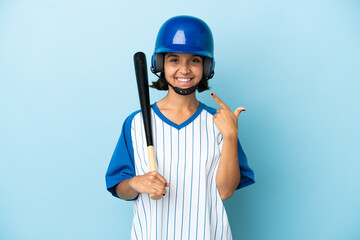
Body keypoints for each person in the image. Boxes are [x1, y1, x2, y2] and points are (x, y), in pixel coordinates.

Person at [106, 15, 255, 240]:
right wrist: (136, 182)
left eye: (194, 60)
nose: (184, 70)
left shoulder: (219, 122)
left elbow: (225, 192)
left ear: (207, 66)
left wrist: (231, 135)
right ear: (159, 64)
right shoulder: (136, 123)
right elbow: (121, 189)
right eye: (174, 60)